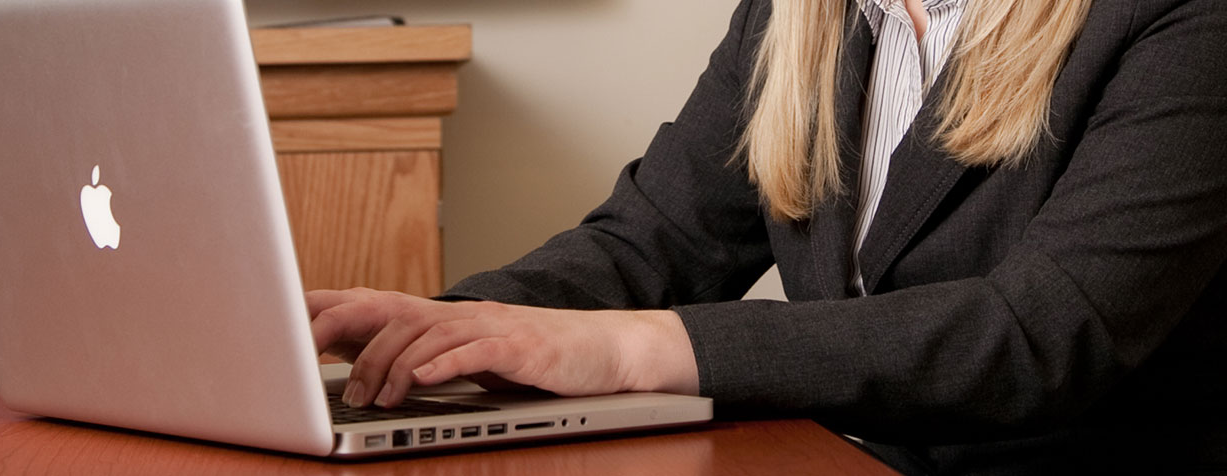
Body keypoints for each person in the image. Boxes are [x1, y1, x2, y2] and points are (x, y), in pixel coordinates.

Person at [308, 0, 1227, 473]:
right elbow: (652, 240)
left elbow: (1035, 336)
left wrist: (641, 349)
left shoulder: (1183, 19)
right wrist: (449, 325)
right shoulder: (797, 16)